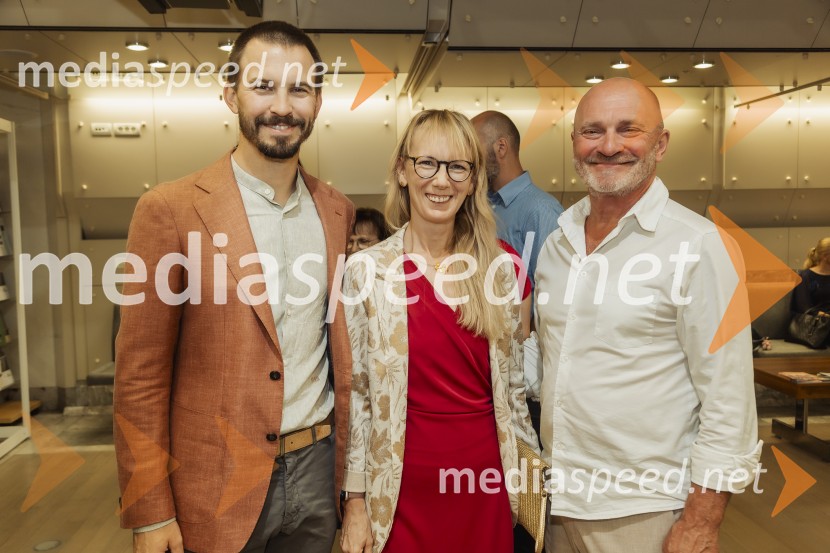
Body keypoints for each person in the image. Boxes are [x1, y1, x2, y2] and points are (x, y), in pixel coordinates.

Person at [114, 21, 355, 553]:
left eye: (299, 89)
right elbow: (139, 377)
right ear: (230, 95)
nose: (282, 107)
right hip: (214, 481)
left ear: (318, 102)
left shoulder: (337, 211)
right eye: (263, 86)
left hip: (318, 473)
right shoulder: (170, 210)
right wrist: (150, 512)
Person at [535, 78, 762, 553]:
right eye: (592, 131)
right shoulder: (558, 243)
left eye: (628, 129)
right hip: (560, 501)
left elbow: (729, 397)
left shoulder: (699, 246)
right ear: (574, 144)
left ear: (660, 144)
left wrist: (702, 519)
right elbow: (551, 360)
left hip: (648, 509)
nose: (608, 146)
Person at [339, 109, 539, 553]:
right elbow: (359, 396)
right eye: (427, 163)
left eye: (457, 167)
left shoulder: (501, 269)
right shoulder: (366, 271)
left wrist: (530, 483)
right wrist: (354, 501)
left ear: (473, 180)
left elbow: (513, 392)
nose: (441, 181)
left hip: (482, 483)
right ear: (403, 170)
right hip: (399, 491)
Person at [472, 110, 564, 289]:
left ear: (501, 147)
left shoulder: (542, 211)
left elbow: (554, 290)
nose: (469, 158)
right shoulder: (482, 204)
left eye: (474, 147)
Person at [791, 237, 830, 317]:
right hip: (817, 321)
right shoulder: (805, 276)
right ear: (825, 256)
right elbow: (802, 306)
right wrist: (819, 314)